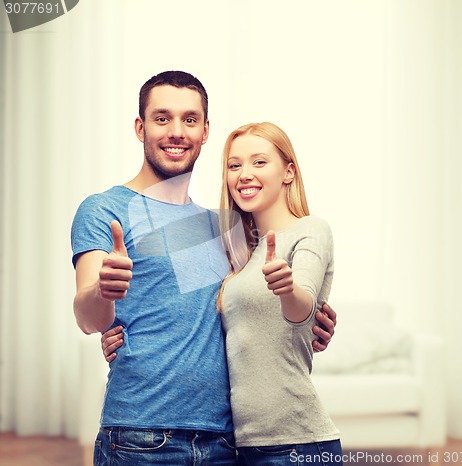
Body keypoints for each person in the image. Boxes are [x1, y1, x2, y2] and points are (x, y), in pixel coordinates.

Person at [71, 70, 336, 466]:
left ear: (205, 130)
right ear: (140, 127)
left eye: (189, 119)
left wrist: (316, 316)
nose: (176, 131)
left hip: (227, 442)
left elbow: (254, 305)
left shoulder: (226, 226)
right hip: (141, 436)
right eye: (162, 118)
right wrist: (102, 293)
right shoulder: (105, 209)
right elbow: (89, 318)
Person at [218, 122, 342, 465]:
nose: (244, 173)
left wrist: (287, 289)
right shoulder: (239, 253)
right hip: (240, 445)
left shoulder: (310, 229)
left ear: (288, 172)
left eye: (259, 162)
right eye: (234, 165)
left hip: (297, 445)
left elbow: (302, 307)